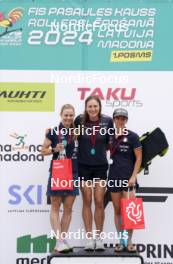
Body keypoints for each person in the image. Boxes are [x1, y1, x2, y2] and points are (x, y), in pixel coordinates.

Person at [75, 95, 113, 251]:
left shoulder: (107, 121)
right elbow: (69, 135)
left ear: (99, 107)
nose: (92, 109)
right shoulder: (79, 120)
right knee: (87, 200)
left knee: (99, 201)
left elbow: (112, 142)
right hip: (83, 166)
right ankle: (89, 238)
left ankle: (99, 238)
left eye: (95, 106)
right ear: (86, 107)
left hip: (100, 167)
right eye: (89, 106)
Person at [41, 104, 79, 253]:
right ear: (61, 115)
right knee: (56, 206)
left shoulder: (77, 132)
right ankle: (58, 241)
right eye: (66, 115)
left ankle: (63, 239)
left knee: (68, 208)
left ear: (74, 116)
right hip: (58, 172)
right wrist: (53, 150)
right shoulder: (53, 132)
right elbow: (42, 151)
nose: (68, 118)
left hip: (73, 172)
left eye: (71, 115)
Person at [107, 108, 142, 252]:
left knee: (130, 212)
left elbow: (139, 158)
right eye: (118, 118)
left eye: (123, 118)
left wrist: (133, 176)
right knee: (117, 211)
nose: (120, 121)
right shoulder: (108, 136)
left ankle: (129, 241)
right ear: (114, 119)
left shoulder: (133, 136)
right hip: (113, 177)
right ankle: (121, 240)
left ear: (126, 120)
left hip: (129, 179)